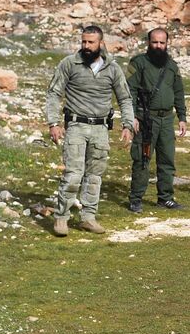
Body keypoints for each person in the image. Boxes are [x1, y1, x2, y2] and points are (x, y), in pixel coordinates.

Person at [45, 25, 135, 235]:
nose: (86, 46)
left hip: (101, 129)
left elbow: (125, 98)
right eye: (83, 41)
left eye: (91, 42)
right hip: (76, 126)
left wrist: (128, 125)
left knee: (94, 175)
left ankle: (88, 217)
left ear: (101, 44)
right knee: (73, 175)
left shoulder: (112, 68)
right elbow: (54, 93)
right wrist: (53, 123)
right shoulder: (69, 63)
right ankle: (61, 218)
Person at [126, 28, 188, 212]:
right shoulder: (138, 63)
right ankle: (136, 198)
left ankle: (165, 197)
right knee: (142, 159)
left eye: (162, 42)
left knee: (167, 160)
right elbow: (130, 92)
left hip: (167, 120)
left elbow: (178, 92)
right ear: (148, 42)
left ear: (167, 43)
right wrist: (133, 117)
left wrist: (182, 117)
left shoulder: (172, 65)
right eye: (155, 42)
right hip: (146, 119)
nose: (158, 46)